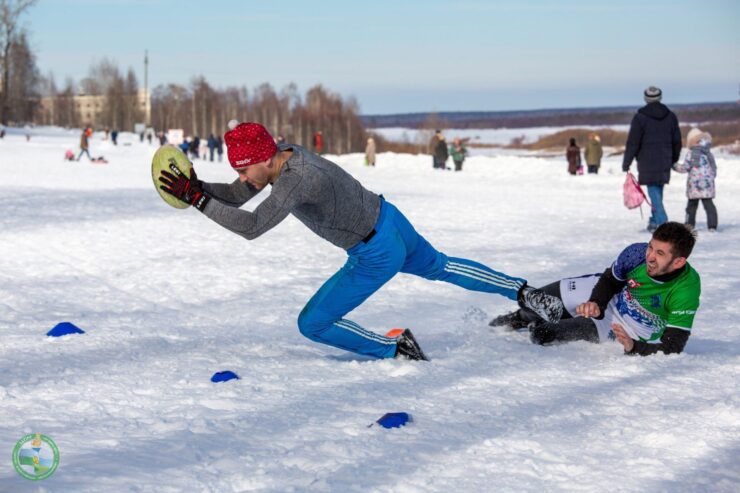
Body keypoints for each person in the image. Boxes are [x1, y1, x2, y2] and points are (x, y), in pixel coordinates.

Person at [157, 121, 564, 361]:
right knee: (441, 265)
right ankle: (524, 293)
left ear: (265, 158)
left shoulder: (296, 179)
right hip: (390, 220)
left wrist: (197, 201)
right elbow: (240, 193)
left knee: (312, 323)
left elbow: (251, 226)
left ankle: (395, 348)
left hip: (374, 252)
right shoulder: (282, 157)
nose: (243, 178)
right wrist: (198, 188)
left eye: (245, 169)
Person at [490, 222, 700, 356]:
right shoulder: (636, 253)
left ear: (678, 262)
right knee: (532, 303)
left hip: (625, 326)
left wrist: (634, 346)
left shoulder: (685, 290)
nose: (650, 257)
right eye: (651, 247)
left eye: (660, 254)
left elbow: (674, 347)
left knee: (542, 334)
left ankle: (541, 322)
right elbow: (610, 280)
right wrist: (596, 303)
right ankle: (507, 321)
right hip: (609, 296)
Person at [623, 86, 682, 232]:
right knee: (657, 190)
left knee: (654, 190)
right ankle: (654, 220)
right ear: (660, 97)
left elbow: (633, 142)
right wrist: (673, 158)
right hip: (664, 159)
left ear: (646, 98)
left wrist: (627, 161)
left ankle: (663, 224)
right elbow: (677, 141)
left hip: (647, 161)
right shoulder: (670, 116)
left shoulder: (640, 117)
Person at [674, 128, 718, 232]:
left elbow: (685, 167)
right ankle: (712, 226)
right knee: (709, 205)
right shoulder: (708, 153)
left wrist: (674, 166)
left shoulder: (691, 153)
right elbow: (714, 168)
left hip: (694, 187)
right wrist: (710, 179)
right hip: (707, 186)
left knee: (691, 207)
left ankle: (689, 225)